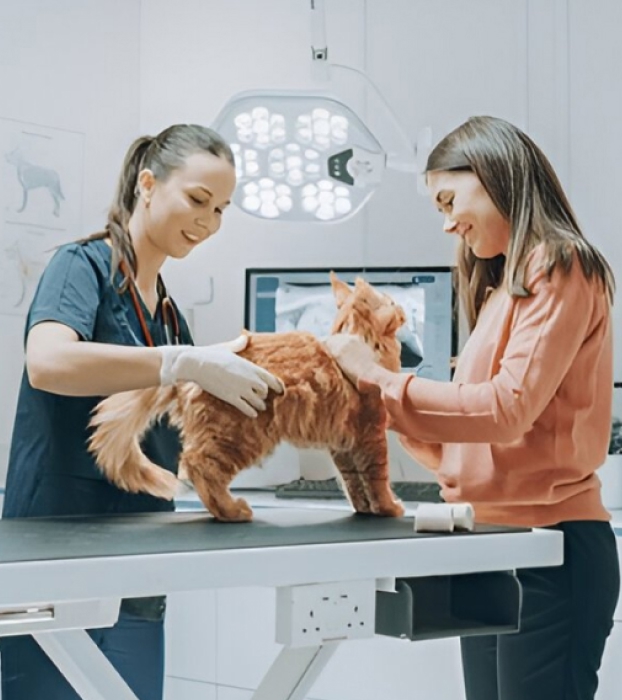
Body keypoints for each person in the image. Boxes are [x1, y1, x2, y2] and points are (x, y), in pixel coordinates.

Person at [325, 115, 620, 700]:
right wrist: (375, 400)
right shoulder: (497, 290)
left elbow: (508, 409)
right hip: (490, 542)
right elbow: (469, 443)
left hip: (550, 546)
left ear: (493, 173)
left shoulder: (559, 264)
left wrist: (380, 378)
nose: (446, 222)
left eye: (449, 199)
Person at [0, 123, 283, 700]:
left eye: (223, 209)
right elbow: (48, 362)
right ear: (148, 185)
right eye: (198, 200)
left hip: (139, 553)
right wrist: (182, 362)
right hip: (59, 544)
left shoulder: (169, 313)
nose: (209, 222)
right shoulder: (83, 267)